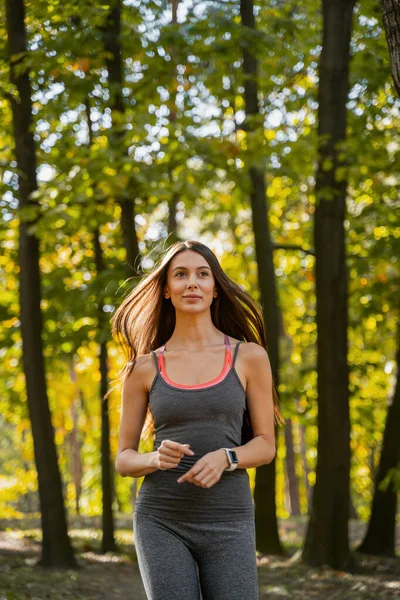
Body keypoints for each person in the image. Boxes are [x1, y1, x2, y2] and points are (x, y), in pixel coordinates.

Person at [112, 239, 282, 600]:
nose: (192, 283)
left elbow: (266, 445)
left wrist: (227, 457)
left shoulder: (249, 357)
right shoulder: (143, 368)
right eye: (181, 275)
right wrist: (154, 459)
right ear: (167, 291)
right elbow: (124, 458)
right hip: (161, 519)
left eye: (202, 274)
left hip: (230, 519)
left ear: (215, 288)